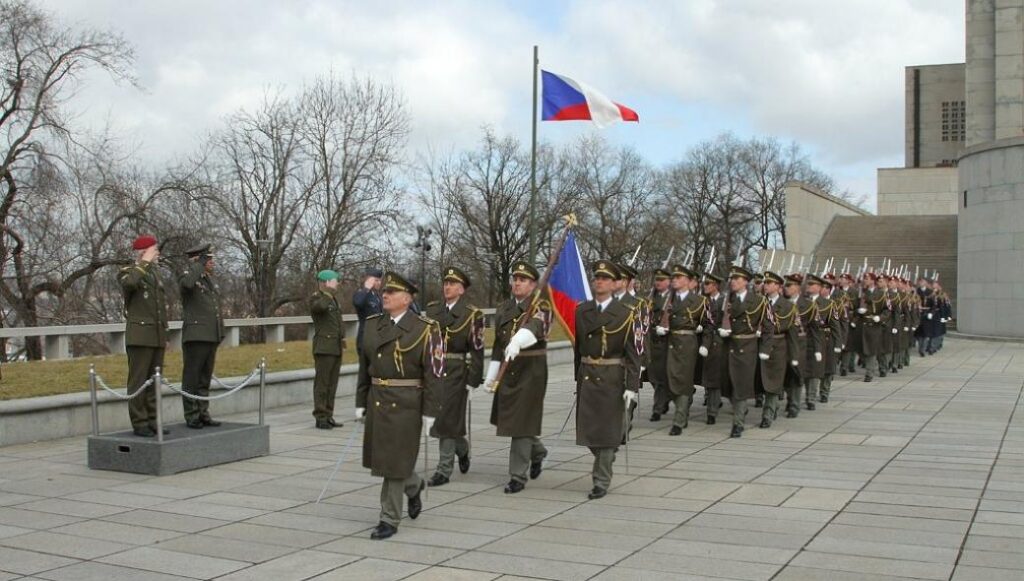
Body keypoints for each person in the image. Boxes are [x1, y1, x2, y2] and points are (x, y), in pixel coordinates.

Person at [355, 271, 444, 540]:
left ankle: (389, 518)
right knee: (384, 459)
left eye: (391, 293)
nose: (385, 295)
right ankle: (413, 485)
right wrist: (360, 401)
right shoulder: (372, 324)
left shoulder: (425, 328)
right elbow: (364, 366)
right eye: (385, 292)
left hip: (407, 403)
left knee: (393, 462)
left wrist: (431, 411)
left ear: (406, 299)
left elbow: (434, 373)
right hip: (378, 398)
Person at [574, 261, 642, 499]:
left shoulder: (627, 313)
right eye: (597, 278)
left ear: (615, 284)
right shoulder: (582, 311)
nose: (599, 282)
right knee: (590, 432)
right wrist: (577, 380)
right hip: (588, 375)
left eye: (605, 279)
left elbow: (634, 354)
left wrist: (632, 387)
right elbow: (578, 349)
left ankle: (600, 481)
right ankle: (607, 454)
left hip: (612, 378)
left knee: (606, 430)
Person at [486, 260, 551, 494]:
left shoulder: (541, 305)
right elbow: (498, 343)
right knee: (512, 421)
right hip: (508, 369)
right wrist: (492, 373)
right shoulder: (504, 308)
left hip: (531, 370)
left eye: (523, 280)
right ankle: (538, 451)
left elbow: (537, 327)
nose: (517, 283)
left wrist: (519, 339)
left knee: (521, 422)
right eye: (515, 279)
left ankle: (517, 476)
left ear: (533, 284)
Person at [426, 267, 484, 487]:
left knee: (447, 418)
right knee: (441, 417)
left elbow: (477, 350)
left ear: (461, 289)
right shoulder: (433, 311)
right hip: (435, 370)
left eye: (452, 284)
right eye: (445, 283)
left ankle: (443, 469)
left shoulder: (472, 314)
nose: (447, 287)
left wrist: (474, 380)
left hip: (457, 370)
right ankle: (462, 448)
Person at [118, 235, 169, 438]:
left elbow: (159, 308)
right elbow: (130, 284)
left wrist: (164, 334)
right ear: (142, 252)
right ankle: (139, 422)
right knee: (139, 381)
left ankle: (153, 421)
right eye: (153, 250)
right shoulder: (128, 272)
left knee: (154, 381)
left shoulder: (155, 274)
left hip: (156, 335)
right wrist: (144, 261)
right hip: (139, 335)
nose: (157, 254)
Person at [720, 265, 772, 438]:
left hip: (747, 347)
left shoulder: (758, 301)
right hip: (728, 347)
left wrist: (765, 348)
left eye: (737, 279)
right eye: (732, 279)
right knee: (729, 385)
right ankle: (739, 410)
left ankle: (738, 423)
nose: (733, 282)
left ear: (746, 282)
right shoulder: (726, 299)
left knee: (741, 385)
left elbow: (768, 327)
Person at [655, 263, 708, 435]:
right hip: (667, 343)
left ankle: (679, 420)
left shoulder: (700, 301)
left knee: (683, 380)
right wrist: (659, 328)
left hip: (686, 344)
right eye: (673, 278)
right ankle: (679, 411)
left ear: (687, 280)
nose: (674, 280)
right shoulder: (666, 299)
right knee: (668, 380)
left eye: (678, 277)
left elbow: (709, 325)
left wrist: (705, 343)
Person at [179, 243, 225, 429]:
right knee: (192, 378)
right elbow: (188, 284)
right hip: (196, 335)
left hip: (210, 335)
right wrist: (198, 264)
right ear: (199, 260)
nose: (212, 262)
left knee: (204, 378)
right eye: (208, 259)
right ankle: (191, 415)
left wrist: (219, 332)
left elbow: (214, 309)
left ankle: (203, 412)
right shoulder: (188, 276)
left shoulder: (207, 280)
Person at [758, 271, 797, 428]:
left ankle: (767, 414)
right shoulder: (758, 302)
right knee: (761, 380)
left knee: (773, 381)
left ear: (778, 286)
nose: (766, 286)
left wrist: (794, 355)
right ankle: (772, 406)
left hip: (777, 347)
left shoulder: (788, 306)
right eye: (765, 283)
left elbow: (791, 331)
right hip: (759, 345)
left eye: (769, 283)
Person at [310, 270, 345, 429]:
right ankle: (320, 416)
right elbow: (320, 308)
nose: (337, 284)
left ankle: (329, 414)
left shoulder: (334, 300)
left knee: (332, 384)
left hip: (335, 347)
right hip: (324, 347)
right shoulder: (317, 298)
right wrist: (327, 293)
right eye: (334, 281)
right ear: (326, 282)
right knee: (322, 384)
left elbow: (338, 322)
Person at [700, 272, 727, 425]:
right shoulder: (703, 301)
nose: (705, 286)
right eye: (704, 284)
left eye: (708, 284)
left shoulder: (725, 301)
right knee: (707, 376)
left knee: (715, 378)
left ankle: (712, 411)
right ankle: (710, 402)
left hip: (718, 342)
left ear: (715, 285)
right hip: (703, 341)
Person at [647, 268, 672, 421]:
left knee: (664, 377)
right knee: (654, 377)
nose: (658, 283)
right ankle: (662, 401)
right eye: (657, 280)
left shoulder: (673, 298)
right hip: (652, 341)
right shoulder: (651, 298)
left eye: (662, 280)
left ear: (669, 282)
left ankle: (659, 407)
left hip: (668, 342)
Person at [353, 267, 384, 355]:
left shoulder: (377, 297)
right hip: (365, 339)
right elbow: (358, 303)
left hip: (377, 339)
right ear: (368, 280)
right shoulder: (361, 294)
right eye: (376, 280)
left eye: (379, 280)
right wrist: (366, 288)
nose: (379, 283)